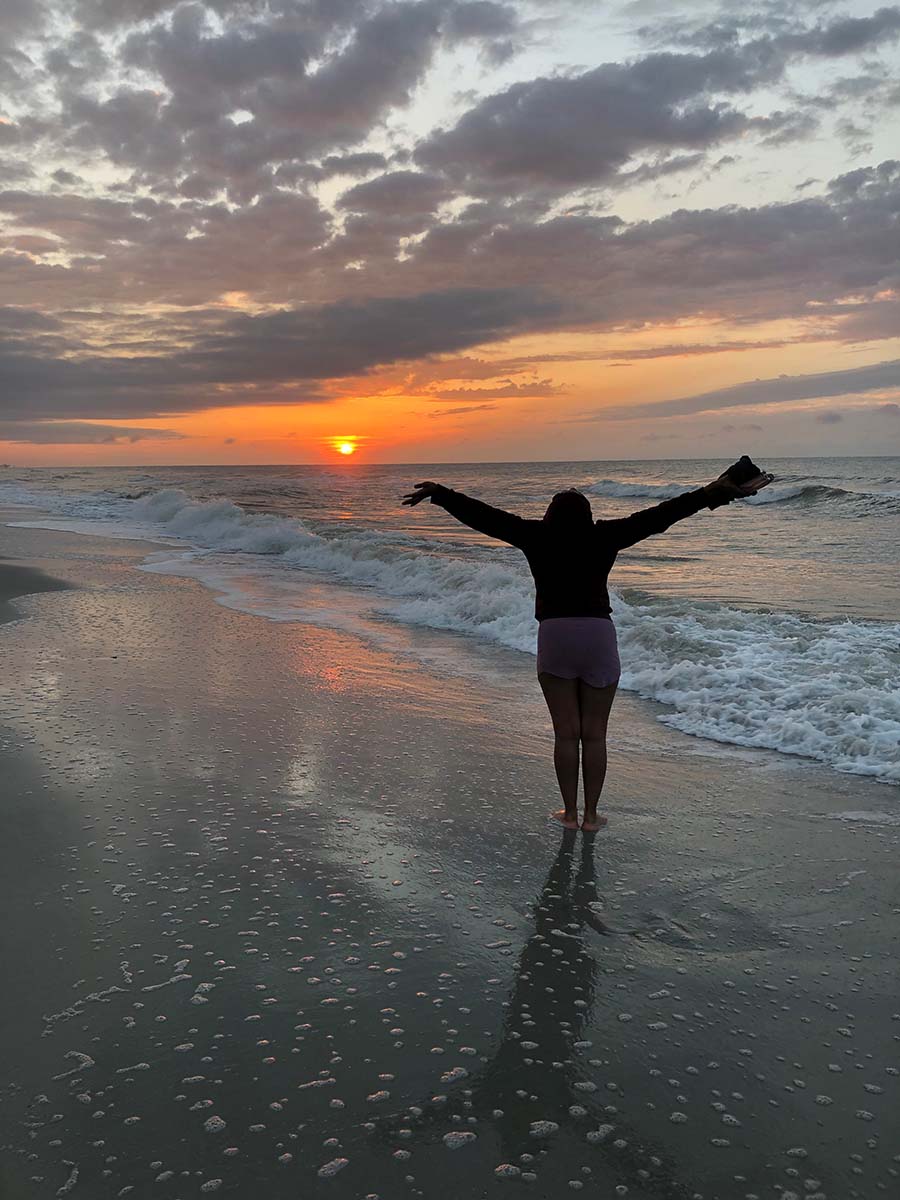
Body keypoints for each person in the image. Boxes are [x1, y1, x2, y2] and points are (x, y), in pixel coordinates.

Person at [402, 467, 770, 832]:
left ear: (550, 514)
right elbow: (661, 516)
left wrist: (441, 493)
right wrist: (711, 492)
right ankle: (592, 817)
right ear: (588, 516)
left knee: (566, 734)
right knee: (595, 734)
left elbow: (486, 517)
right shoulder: (606, 536)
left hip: (555, 635)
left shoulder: (535, 536)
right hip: (597, 634)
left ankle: (569, 814)